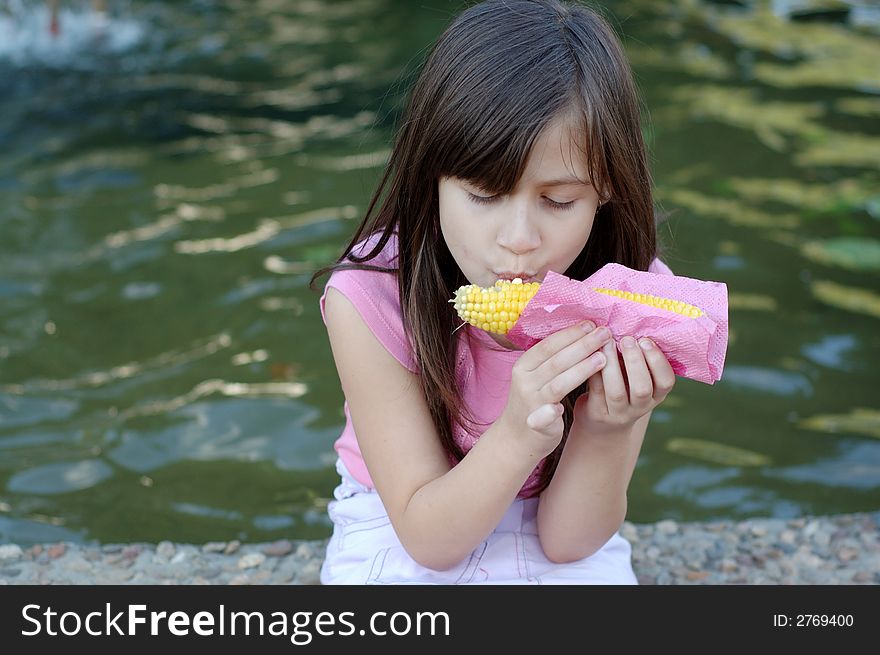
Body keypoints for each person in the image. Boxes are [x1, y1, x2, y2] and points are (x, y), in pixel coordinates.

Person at [310, 0, 676, 584]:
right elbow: (430, 541)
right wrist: (514, 434)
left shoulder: (631, 297)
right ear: (432, 178)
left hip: (550, 515)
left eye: (558, 202)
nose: (518, 242)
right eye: (483, 195)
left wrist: (608, 428)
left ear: (607, 186)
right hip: (406, 514)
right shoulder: (372, 297)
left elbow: (568, 543)